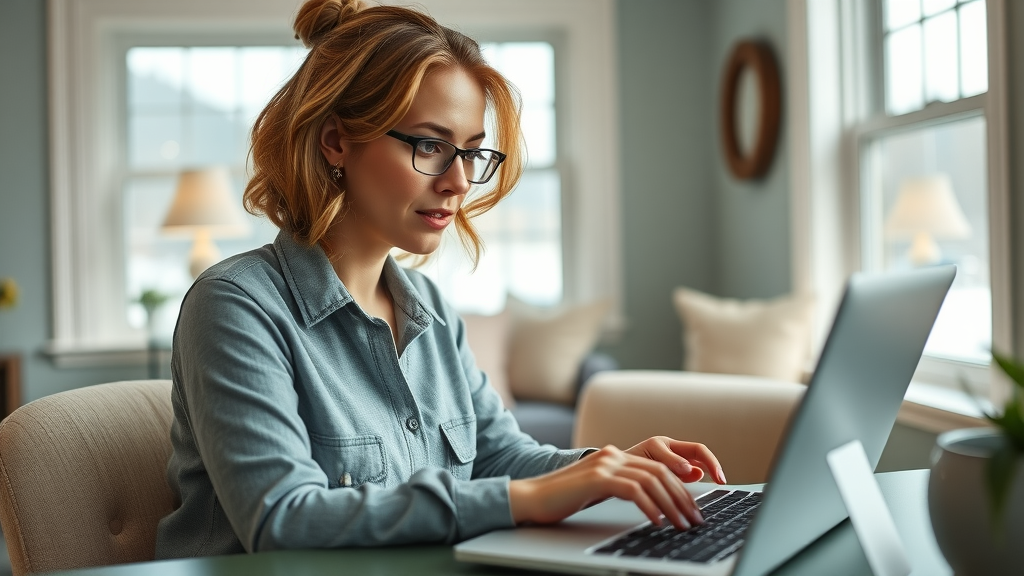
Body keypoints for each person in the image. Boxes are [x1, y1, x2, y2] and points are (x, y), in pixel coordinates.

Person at [155, 0, 727, 558]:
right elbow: (282, 518)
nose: (459, 182)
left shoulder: (428, 308)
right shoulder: (235, 306)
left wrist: (606, 468)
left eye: (472, 153)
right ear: (336, 141)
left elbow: (500, 458)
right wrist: (527, 499)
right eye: (431, 145)